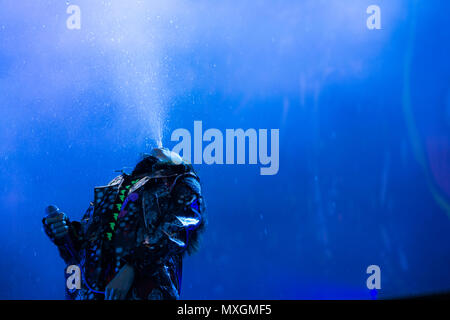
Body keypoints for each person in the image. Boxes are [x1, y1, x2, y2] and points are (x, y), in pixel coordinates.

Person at [43, 148, 205, 300]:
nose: (159, 148)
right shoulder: (117, 184)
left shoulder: (176, 181)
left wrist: (133, 267)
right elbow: (84, 248)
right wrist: (65, 234)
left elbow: (178, 225)